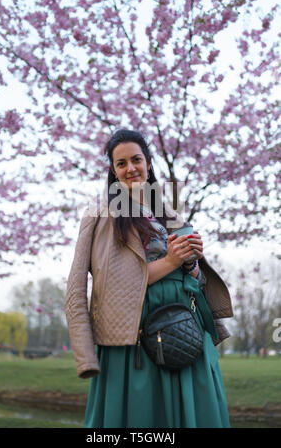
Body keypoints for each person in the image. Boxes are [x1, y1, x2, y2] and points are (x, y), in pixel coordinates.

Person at [65, 128, 233, 428]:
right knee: (141, 417)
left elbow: (193, 278)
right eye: (121, 163)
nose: (130, 168)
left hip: (187, 327)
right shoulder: (100, 214)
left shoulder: (168, 212)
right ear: (113, 171)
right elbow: (108, 285)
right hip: (135, 331)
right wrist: (171, 260)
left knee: (197, 412)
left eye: (136, 159)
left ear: (148, 162)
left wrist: (191, 263)